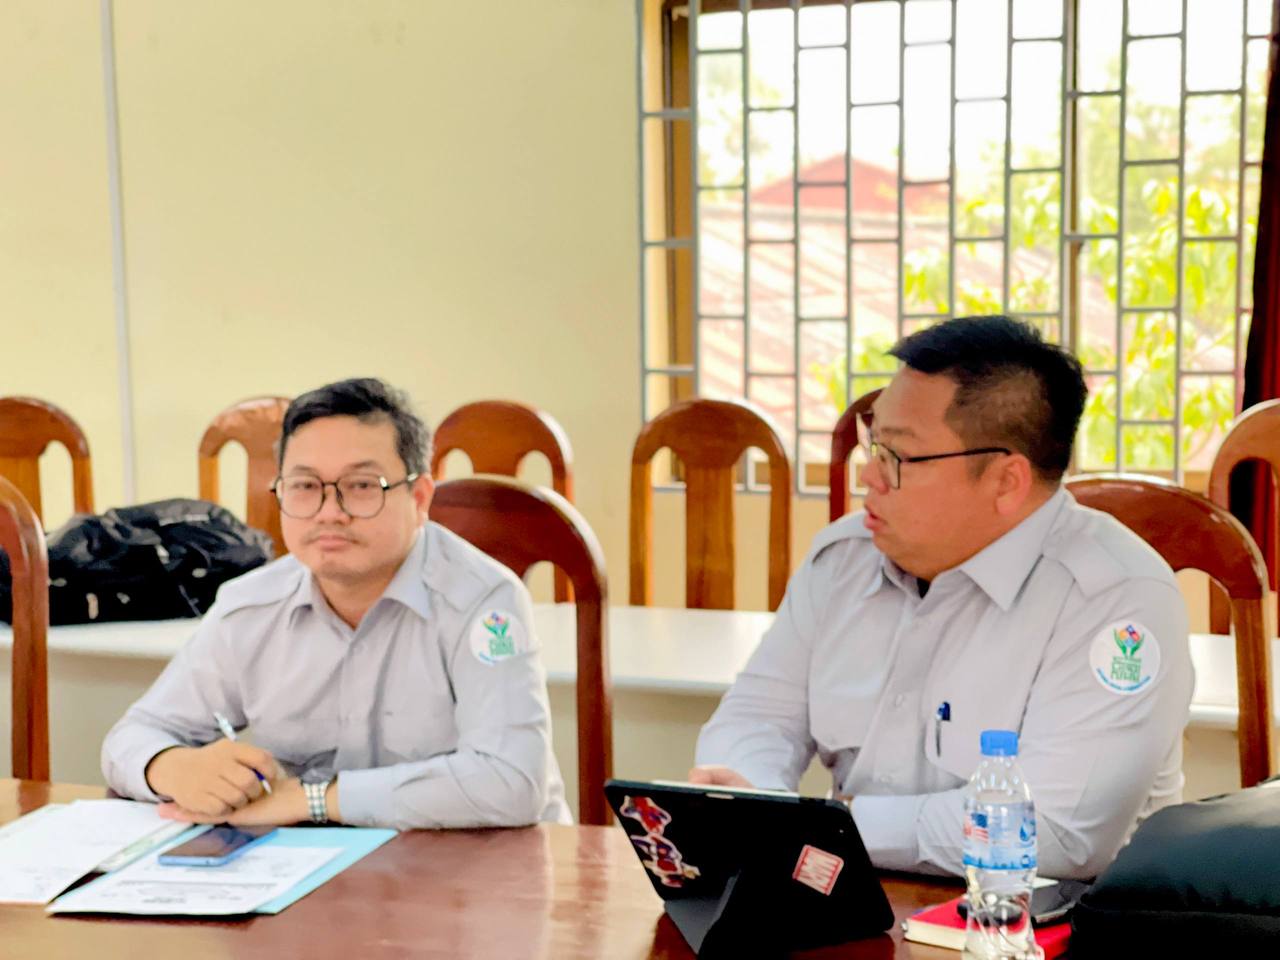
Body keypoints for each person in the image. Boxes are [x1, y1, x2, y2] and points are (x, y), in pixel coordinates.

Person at [689, 316, 1193, 880]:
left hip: (1039, 918)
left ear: (1006, 481)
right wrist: (752, 800)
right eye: (873, 445)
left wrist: (823, 828)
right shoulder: (843, 560)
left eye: (897, 456)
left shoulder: (1116, 599)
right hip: (850, 897)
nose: (868, 477)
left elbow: (1055, 832)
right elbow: (758, 717)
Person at [102, 377, 570, 830]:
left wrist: (313, 800)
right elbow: (131, 737)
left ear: (420, 497)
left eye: (362, 486)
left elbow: (510, 781)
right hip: (310, 867)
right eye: (305, 486)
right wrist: (172, 766)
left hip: (478, 863)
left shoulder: (480, 600)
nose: (330, 512)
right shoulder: (251, 606)